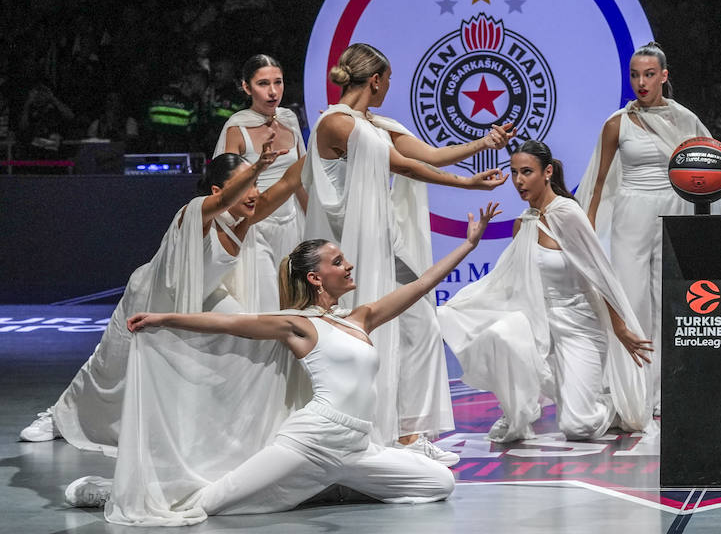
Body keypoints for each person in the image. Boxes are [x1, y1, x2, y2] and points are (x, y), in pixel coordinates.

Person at [64, 203, 500, 525]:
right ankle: (107, 492)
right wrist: (165, 317)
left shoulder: (360, 318)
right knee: (206, 506)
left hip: (357, 446)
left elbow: (422, 284)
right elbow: (231, 324)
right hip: (312, 440)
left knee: (439, 484)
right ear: (315, 277)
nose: (348, 266)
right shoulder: (299, 325)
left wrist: (468, 244)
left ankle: (333, 484)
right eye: (337, 262)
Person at [20, 142, 303, 452]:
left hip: (200, 298)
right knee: (111, 369)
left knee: (245, 336)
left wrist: (319, 142)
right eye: (246, 184)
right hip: (148, 297)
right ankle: (62, 417)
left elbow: (289, 182)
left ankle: (235, 423)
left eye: (256, 185)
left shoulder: (246, 219)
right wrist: (259, 166)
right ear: (215, 189)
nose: (254, 192)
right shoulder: (194, 212)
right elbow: (223, 200)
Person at [305, 42, 510, 462]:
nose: (388, 89)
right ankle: (368, 430)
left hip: (379, 243)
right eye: (389, 80)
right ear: (376, 79)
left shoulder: (373, 123)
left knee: (418, 325)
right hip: (346, 251)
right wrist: (466, 184)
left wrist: (484, 142)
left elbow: (429, 155)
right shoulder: (338, 124)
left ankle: (408, 432)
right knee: (365, 334)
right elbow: (404, 165)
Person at [438, 140, 653, 443]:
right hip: (539, 323)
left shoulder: (567, 213)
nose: (518, 181)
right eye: (513, 173)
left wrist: (620, 327)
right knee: (500, 333)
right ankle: (518, 410)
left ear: (547, 172)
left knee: (578, 427)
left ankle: (610, 407)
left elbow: (600, 273)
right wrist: (471, 246)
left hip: (579, 325)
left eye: (526, 172)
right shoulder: (522, 225)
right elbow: (508, 284)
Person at [578, 41, 721, 413]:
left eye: (649, 74)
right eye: (635, 75)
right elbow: (597, 184)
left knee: (671, 302)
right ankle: (630, 389)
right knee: (631, 299)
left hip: (676, 213)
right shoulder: (616, 123)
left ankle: (664, 389)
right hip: (631, 214)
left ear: (664, 76)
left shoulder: (686, 120)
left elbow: (714, 169)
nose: (641, 82)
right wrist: (588, 231)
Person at [216, 54, 307, 288]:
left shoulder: (290, 119)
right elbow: (225, 190)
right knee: (264, 299)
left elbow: (301, 179)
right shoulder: (237, 127)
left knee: (290, 298)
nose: (273, 92)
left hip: (291, 225)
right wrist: (258, 168)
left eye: (278, 82)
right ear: (246, 87)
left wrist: (314, 226)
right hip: (255, 228)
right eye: (263, 84)